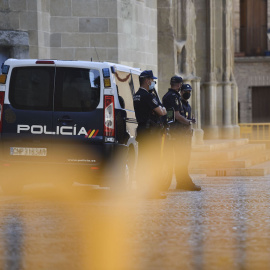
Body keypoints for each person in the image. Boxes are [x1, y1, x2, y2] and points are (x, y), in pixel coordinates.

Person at [162, 76, 201, 191]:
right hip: (177, 134)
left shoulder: (167, 96)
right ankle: (184, 182)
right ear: (179, 85)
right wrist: (188, 122)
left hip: (174, 132)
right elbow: (178, 116)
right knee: (182, 159)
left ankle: (181, 182)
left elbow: (171, 115)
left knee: (180, 159)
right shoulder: (174, 97)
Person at [133, 70, 167, 199]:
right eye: (152, 80)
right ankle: (152, 191)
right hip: (151, 134)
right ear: (147, 81)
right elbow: (162, 111)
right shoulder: (148, 96)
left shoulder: (136, 95)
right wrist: (161, 109)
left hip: (142, 132)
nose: (153, 82)